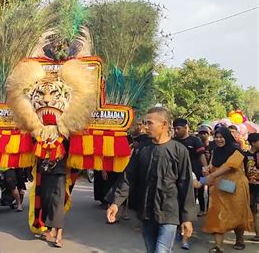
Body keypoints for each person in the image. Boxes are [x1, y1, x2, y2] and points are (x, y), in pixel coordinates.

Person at [107, 107, 196, 253]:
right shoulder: (141, 149)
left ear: (164, 124)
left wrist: (187, 218)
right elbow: (128, 177)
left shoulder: (179, 151)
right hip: (147, 211)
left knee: (161, 251)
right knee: (151, 250)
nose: (145, 127)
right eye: (144, 123)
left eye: (149, 123)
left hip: (169, 212)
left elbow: (186, 184)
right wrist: (116, 203)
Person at [202, 127, 254, 252]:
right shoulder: (215, 150)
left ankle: (240, 240)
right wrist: (206, 168)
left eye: (221, 137)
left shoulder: (237, 150)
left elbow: (230, 166)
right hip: (219, 187)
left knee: (237, 214)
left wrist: (212, 176)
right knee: (217, 214)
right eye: (216, 137)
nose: (219, 139)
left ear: (228, 137)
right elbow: (213, 164)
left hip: (236, 188)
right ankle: (218, 247)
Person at [173, 118, 208, 217]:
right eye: (174, 129)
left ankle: (201, 209)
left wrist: (205, 169)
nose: (176, 131)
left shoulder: (195, 140)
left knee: (199, 191)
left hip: (196, 171)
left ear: (186, 128)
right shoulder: (174, 141)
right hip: (179, 172)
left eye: (178, 129)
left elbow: (201, 155)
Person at [38, 140, 69, 248]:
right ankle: (51, 230)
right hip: (46, 172)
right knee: (46, 201)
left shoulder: (64, 136)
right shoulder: (41, 136)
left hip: (60, 173)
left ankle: (59, 234)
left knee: (58, 202)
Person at [245, 133, 259, 241]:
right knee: (253, 209)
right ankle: (257, 233)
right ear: (253, 143)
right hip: (250, 187)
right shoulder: (244, 155)